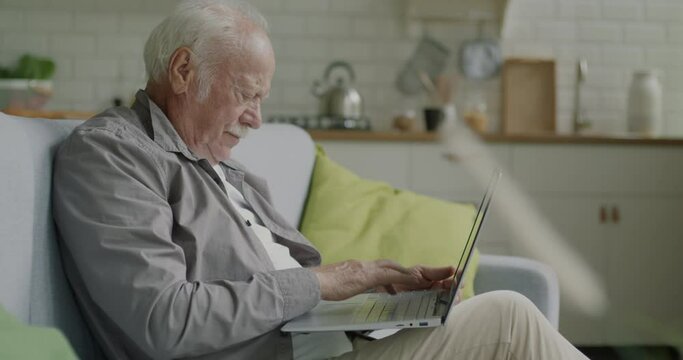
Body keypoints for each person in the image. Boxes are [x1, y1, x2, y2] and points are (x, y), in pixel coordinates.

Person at [52, 1, 587, 359]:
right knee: (510, 318)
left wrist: (367, 297)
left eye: (262, 99)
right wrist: (327, 282)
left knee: (498, 318)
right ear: (185, 71)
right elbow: (162, 319)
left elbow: (278, 287)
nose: (257, 119)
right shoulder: (114, 154)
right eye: (247, 94)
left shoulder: (221, 165)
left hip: (323, 345)